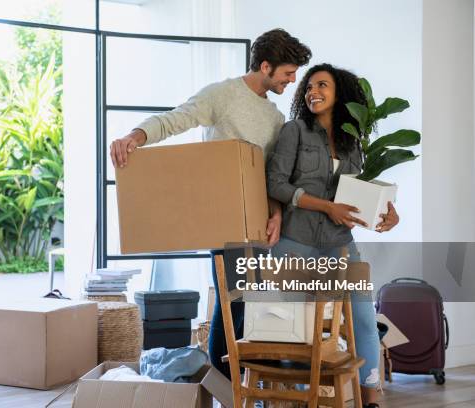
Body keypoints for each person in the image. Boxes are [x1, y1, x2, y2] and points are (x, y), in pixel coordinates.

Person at [109, 28, 312, 378]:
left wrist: (276, 214)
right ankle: (226, 389)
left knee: (249, 309)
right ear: (266, 66)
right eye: (287, 73)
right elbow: (178, 118)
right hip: (223, 218)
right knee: (234, 306)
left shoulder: (276, 118)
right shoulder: (223, 94)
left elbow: (273, 177)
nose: (292, 81)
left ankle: (238, 391)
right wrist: (135, 136)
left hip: (260, 225)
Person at [266, 63, 400, 408]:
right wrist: (326, 207)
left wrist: (388, 211)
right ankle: (298, 400)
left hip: (340, 244)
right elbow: (276, 184)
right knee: (291, 329)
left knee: (364, 321)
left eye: (322, 85)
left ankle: (370, 398)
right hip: (294, 242)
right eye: (309, 87)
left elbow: (361, 197)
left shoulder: (353, 143)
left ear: (340, 93)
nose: (313, 91)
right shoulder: (293, 131)